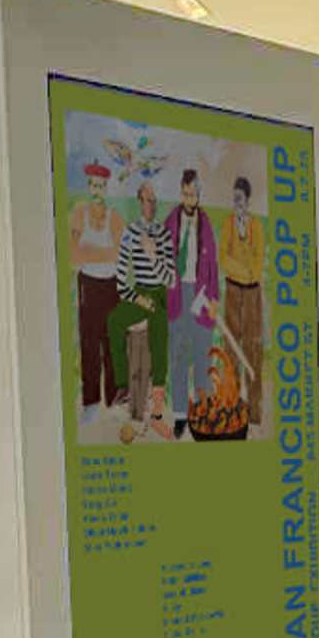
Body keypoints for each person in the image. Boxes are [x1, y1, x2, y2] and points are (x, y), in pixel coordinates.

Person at [113, 169, 177, 438]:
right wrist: (137, 298)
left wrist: (153, 256)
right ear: (139, 201)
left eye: (155, 201)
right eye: (147, 200)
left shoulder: (163, 235)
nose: (151, 205)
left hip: (158, 293)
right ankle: (123, 386)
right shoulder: (130, 233)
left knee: (159, 331)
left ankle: (158, 413)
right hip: (140, 293)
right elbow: (119, 278)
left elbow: (170, 279)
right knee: (114, 321)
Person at [66, 155, 124, 421]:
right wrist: (103, 253)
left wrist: (92, 251)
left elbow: (119, 255)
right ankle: (91, 401)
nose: (97, 190)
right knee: (89, 344)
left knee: (113, 342)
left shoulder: (114, 218)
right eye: (93, 185)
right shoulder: (79, 214)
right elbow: (73, 257)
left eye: (102, 185)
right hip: (88, 284)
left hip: (112, 285)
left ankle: (114, 398)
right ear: (89, 186)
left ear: (107, 187)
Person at [169, 164, 224, 432]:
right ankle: (181, 414)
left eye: (193, 194)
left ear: (199, 195)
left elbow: (212, 265)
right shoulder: (172, 220)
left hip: (200, 296)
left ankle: (203, 410)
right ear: (181, 193)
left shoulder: (206, 224)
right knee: (178, 357)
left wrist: (213, 299)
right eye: (185, 194)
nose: (189, 199)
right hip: (178, 296)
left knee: (202, 357)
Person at [219, 169, 266, 430]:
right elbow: (223, 259)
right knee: (231, 348)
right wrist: (243, 271)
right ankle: (232, 407)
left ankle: (254, 411)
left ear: (247, 200)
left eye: (240, 198)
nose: (237, 202)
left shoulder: (256, 226)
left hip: (253, 294)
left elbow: (258, 265)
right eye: (234, 198)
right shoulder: (227, 224)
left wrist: (247, 272)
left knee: (253, 348)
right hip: (233, 290)